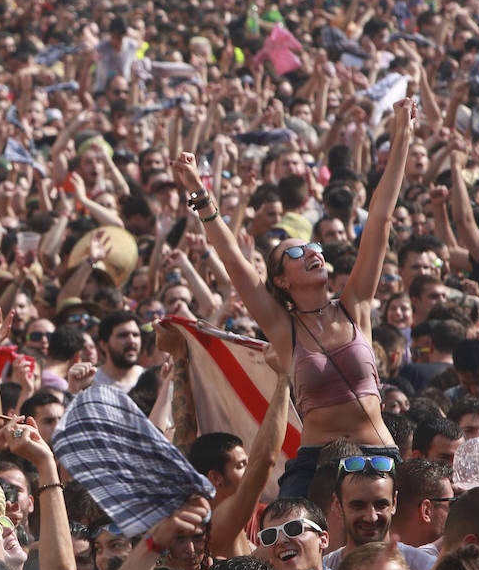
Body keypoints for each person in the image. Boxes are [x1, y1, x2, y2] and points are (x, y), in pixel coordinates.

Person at [175, 100, 417, 498]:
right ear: (281, 281)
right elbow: (234, 261)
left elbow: (380, 219)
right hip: (315, 467)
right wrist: (199, 192)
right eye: (293, 252)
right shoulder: (282, 327)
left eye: (313, 245)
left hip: (378, 457)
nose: (310, 252)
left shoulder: (354, 303)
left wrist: (401, 140)